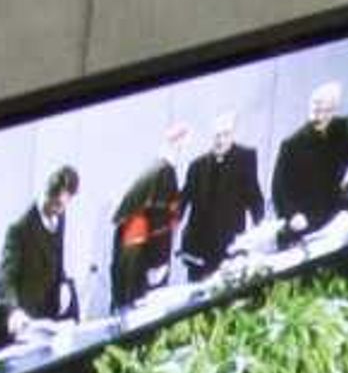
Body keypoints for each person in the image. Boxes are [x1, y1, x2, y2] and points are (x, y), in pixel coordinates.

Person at [269, 82, 348, 238]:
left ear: (334, 110)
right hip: (309, 213)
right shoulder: (291, 144)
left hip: (339, 202)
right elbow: (278, 190)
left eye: (326, 111)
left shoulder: (341, 127)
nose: (319, 116)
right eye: (316, 110)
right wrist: (293, 215)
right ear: (310, 108)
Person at [110, 125, 192, 310]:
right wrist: (159, 261)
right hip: (141, 255)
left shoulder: (156, 170)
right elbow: (159, 220)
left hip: (133, 252)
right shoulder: (164, 172)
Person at [0, 166, 79, 337]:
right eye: (57, 205)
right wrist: (13, 311)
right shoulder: (20, 227)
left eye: (65, 206)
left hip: (51, 310)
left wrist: (63, 282)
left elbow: (55, 255)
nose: (61, 210)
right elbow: (5, 277)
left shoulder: (60, 215)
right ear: (48, 194)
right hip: (28, 316)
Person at [181, 111, 265, 274]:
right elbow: (183, 201)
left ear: (232, 134)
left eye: (225, 135)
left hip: (230, 241)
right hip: (199, 245)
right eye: (216, 136)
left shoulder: (245, 157)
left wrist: (259, 229)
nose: (220, 140)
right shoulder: (197, 166)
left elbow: (254, 196)